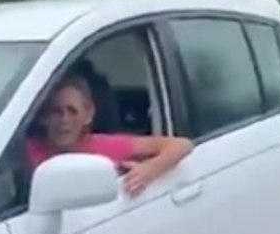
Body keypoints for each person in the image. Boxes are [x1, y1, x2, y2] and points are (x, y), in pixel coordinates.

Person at [25, 73, 193, 197]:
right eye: (56, 112)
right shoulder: (24, 152)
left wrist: (148, 171)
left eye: (72, 111)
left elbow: (182, 145)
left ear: (88, 114)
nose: (64, 120)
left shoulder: (105, 146)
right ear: (43, 116)